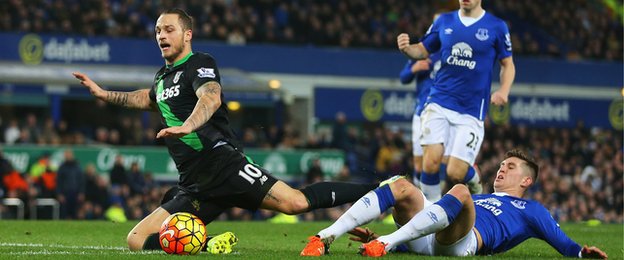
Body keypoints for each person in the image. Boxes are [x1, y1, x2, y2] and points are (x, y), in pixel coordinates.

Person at [72, 8, 377, 252]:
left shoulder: (200, 63)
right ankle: (209, 245)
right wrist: (104, 94)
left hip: (223, 165)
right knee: (136, 239)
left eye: (168, 29)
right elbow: (147, 98)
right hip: (195, 185)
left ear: (187, 34)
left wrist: (187, 126)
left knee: (295, 203)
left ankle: (378, 190)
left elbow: (211, 97)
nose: (161, 35)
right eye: (157, 30)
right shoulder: (162, 78)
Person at [300, 150, 608, 259]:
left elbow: (563, 244)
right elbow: (435, 218)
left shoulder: (533, 211)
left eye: (511, 166)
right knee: (402, 185)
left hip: (461, 244)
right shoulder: (483, 196)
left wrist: (582, 252)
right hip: (427, 239)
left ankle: (387, 242)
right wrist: (407, 241)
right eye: (501, 164)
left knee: (460, 190)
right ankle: (325, 237)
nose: (501, 168)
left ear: (527, 181)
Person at [396, 0, 516, 201]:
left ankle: (474, 181)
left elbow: (508, 64)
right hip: (439, 101)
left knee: (455, 172)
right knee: (431, 162)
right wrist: (407, 49)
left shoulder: (497, 26)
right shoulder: (444, 21)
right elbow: (423, 50)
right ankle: (429, 215)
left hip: (471, 110)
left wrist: (504, 90)